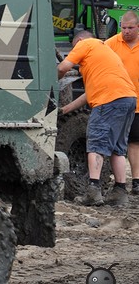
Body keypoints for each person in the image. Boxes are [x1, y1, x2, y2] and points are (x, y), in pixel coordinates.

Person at [58, 30, 137, 206]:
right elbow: (90, 93)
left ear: (78, 40)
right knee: (118, 147)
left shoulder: (85, 44)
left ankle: (93, 191)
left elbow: (63, 67)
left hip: (109, 100)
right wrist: (66, 109)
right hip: (128, 99)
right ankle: (120, 192)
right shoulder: (105, 50)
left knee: (95, 143)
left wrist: (49, 83)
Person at [105, 11, 139, 200]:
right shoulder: (112, 43)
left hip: (137, 101)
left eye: (130, 28)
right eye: (123, 28)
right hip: (116, 100)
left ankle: (136, 180)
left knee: (134, 142)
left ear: (138, 27)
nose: (125, 32)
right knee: (115, 142)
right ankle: (117, 182)